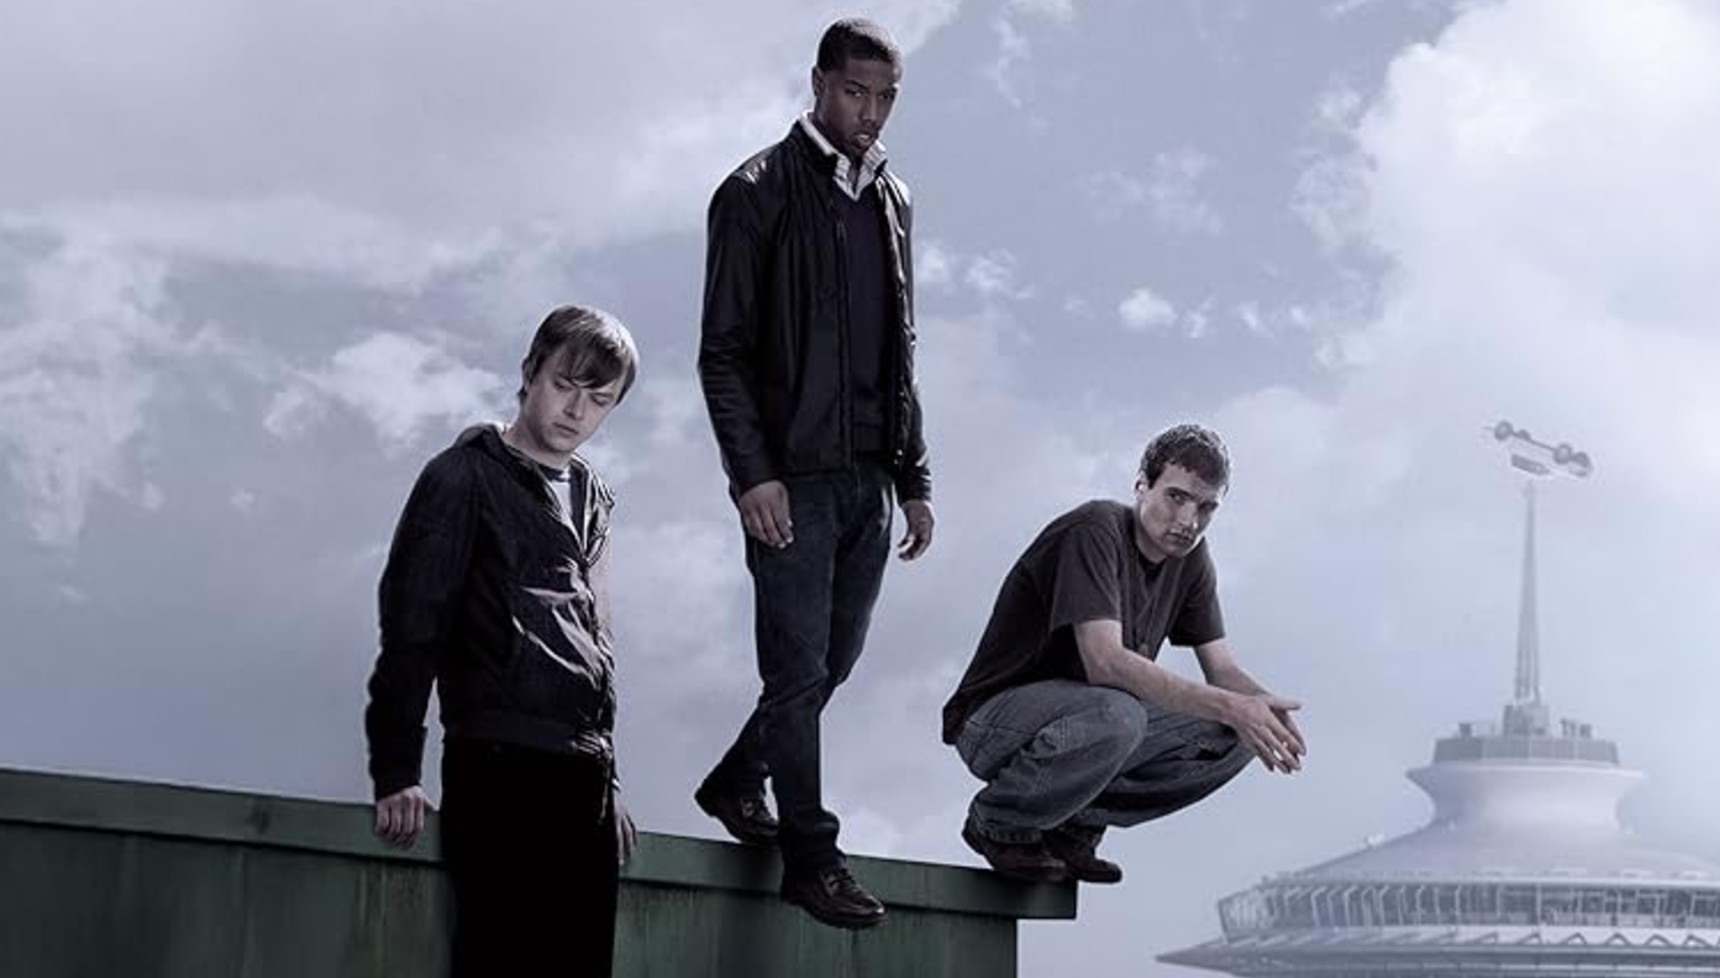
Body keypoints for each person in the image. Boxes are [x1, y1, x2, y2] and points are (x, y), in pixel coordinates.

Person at [693, 16, 934, 931]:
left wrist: (914, 476)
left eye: (885, 98)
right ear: (819, 84)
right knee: (796, 672)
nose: (869, 113)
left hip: (871, 477)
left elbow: (901, 348)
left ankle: (734, 781)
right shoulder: (753, 192)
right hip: (790, 479)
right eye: (855, 92)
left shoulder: (894, 199)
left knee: (833, 663)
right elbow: (721, 354)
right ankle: (812, 858)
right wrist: (751, 476)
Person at [363, 305, 641, 977]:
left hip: (584, 776)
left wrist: (609, 775)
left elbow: (596, 640)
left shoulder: (594, 496)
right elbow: (412, 625)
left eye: (599, 398)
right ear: (530, 373)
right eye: (564, 385)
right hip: (497, 761)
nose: (576, 410)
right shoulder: (462, 476)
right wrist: (397, 769)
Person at [941, 424, 1305, 885]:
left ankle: (1071, 826)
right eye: (1176, 497)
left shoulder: (1191, 559)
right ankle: (999, 821)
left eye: (1206, 507)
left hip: (1093, 723)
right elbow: (1105, 662)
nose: (1189, 520)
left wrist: (1262, 709)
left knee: (1238, 735)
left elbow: (1222, 669)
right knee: (1121, 714)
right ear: (1141, 486)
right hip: (993, 722)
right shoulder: (1094, 529)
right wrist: (1231, 705)